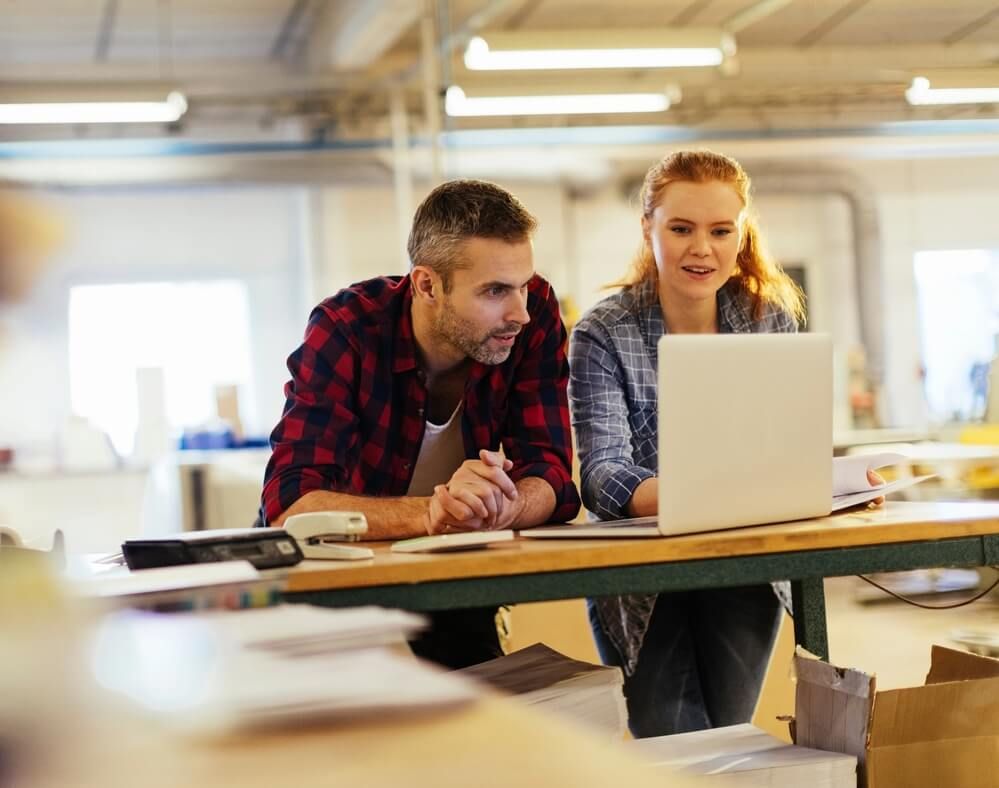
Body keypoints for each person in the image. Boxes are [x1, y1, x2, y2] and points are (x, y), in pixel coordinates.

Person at [261, 179, 580, 668]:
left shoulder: (531, 314)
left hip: (449, 570)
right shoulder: (345, 330)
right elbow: (291, 507)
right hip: (343, 581)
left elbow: (553, 476)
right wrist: (434, 514)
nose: (519, 313)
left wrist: (497, 507)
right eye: (495, 291)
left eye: (523, 285)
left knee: (484, 708)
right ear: (427, 285)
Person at [567, 149, 808, 738]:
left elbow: (789, 448)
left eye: (720, 230)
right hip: (642, 572)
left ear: (740, 234)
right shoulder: (602, 333)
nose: (702, 248)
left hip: (744, 564)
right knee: (669, 741)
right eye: (681, 229)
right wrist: (710, 496)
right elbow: (602, 476)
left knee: (728, 736)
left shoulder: (768, 322)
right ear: (648, 228)